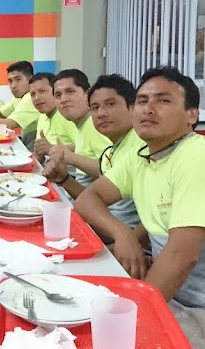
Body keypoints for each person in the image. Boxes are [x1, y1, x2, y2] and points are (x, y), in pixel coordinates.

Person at [74, 66, 205, 349]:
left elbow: (182, 256)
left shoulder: (199, 157)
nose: (148, 108)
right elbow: (88, 199)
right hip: (178, 300)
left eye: (163, 100)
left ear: (192, 114)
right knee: (80, 313)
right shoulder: (143, 155)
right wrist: (123, 234)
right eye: (142, 100)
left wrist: (134, 318)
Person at [47, 74, 143, 230]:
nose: (101, 113)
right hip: (106, 229)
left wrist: (125, 237)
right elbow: (93, 201)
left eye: (110, 104)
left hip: (121, 235)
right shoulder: (110, 152)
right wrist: (64, 179)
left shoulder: (141, 146)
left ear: (133, 107)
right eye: (95, 107)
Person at [41, 69, 112, 197]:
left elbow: (112, 171)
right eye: (58, 95)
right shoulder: (82, 125)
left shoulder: (95, 125)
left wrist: (70, 157)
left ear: (88, 94)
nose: (63, 99)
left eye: (70, 92)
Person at [29, 72, 77, 163]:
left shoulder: (67, 115)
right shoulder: (42, 117)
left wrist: (51, 148)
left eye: (42, 91)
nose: (37, 98)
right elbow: (39, 154)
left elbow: (83, 148)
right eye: (33, 94)